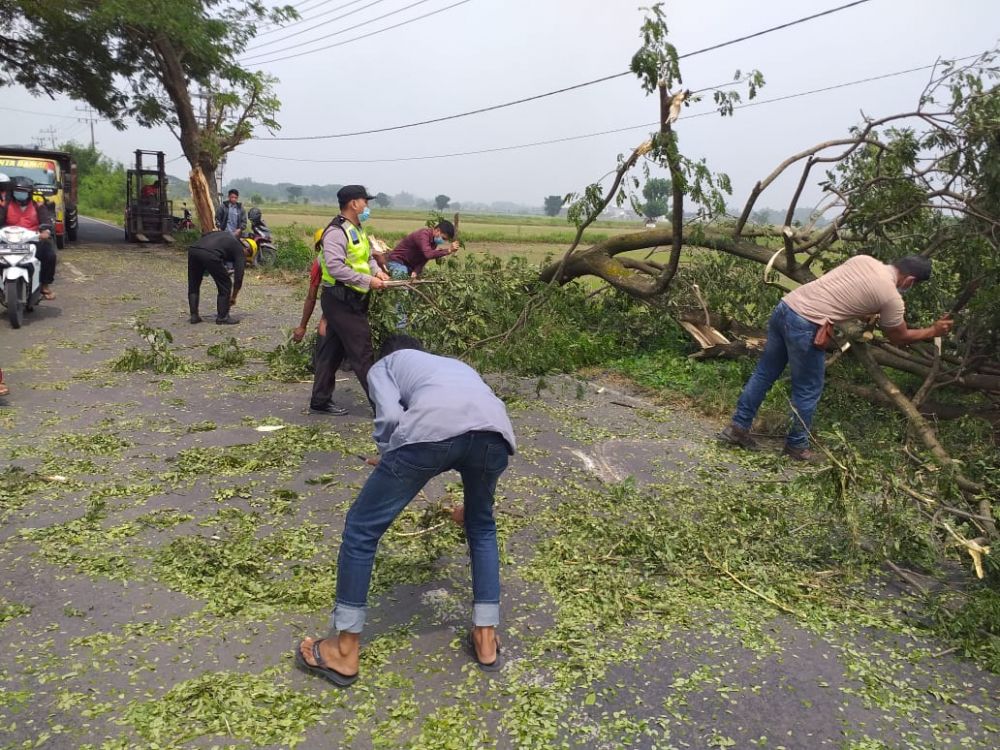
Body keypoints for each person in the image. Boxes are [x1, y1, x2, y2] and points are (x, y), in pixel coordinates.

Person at [294, 334, 517, 687]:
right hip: (497, 435)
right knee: (482, 526)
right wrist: (471, 507)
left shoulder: (386, 365)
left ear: (388, 354)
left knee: (361, 528)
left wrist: (387, 455)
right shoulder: (454, 365)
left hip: (432, 431)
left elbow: (389, 414)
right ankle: (486, 640)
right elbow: (472, 421)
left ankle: (344, 650)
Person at [719, 254, 954, 461]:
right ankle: (796, 446)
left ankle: (737, 428)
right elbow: (898, 337)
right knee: (808, 389)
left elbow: (840, 291)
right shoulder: (891, 297)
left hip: (786, 307)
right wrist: (933, 331)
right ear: (910, 281)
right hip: (806, 324)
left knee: (764, 373)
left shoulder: (864, 260)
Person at [307, 184, 389, 415]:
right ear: (354, 203)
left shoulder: (357, 229)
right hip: (340, 299)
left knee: (331, 350)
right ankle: (383, 406)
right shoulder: (335, 232)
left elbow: (366, 257)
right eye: (365, 202)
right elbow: (334, 267)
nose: (367, 206)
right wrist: (367, 281)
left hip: (353, 298)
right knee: (362, 349)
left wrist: (376, 272)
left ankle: (320, 400)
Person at [0, 176, 57, 301]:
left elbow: (47, 222)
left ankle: (44, 286)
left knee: (49, 254)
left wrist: (46, 231)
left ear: (30, 193)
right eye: (18, 191)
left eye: (24, 191)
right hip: (7, 241)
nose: (21, 194)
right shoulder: (5, 206)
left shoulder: (38, 206)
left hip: (31, 241)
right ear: (12, 192)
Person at [186, 230, 246, 325]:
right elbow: (239, 277)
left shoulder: (223, 235)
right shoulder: (239, 250)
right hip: (210, 253)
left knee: (194, 283)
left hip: (194, 249)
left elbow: (205, 234)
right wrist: (233, 297)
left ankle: (194, 316)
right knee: (225, 284)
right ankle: (222, 317)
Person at [383, 220, 459, 280]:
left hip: (409, 266)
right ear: (437, 230)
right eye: (443, 238)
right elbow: (428, 254)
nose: (443, 241)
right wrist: (448, 250)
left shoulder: (434, 242)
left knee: (416, 289)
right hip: (397, 262)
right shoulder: (423, 235)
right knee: (402, 290)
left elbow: (424, 258)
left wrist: (416, 271)